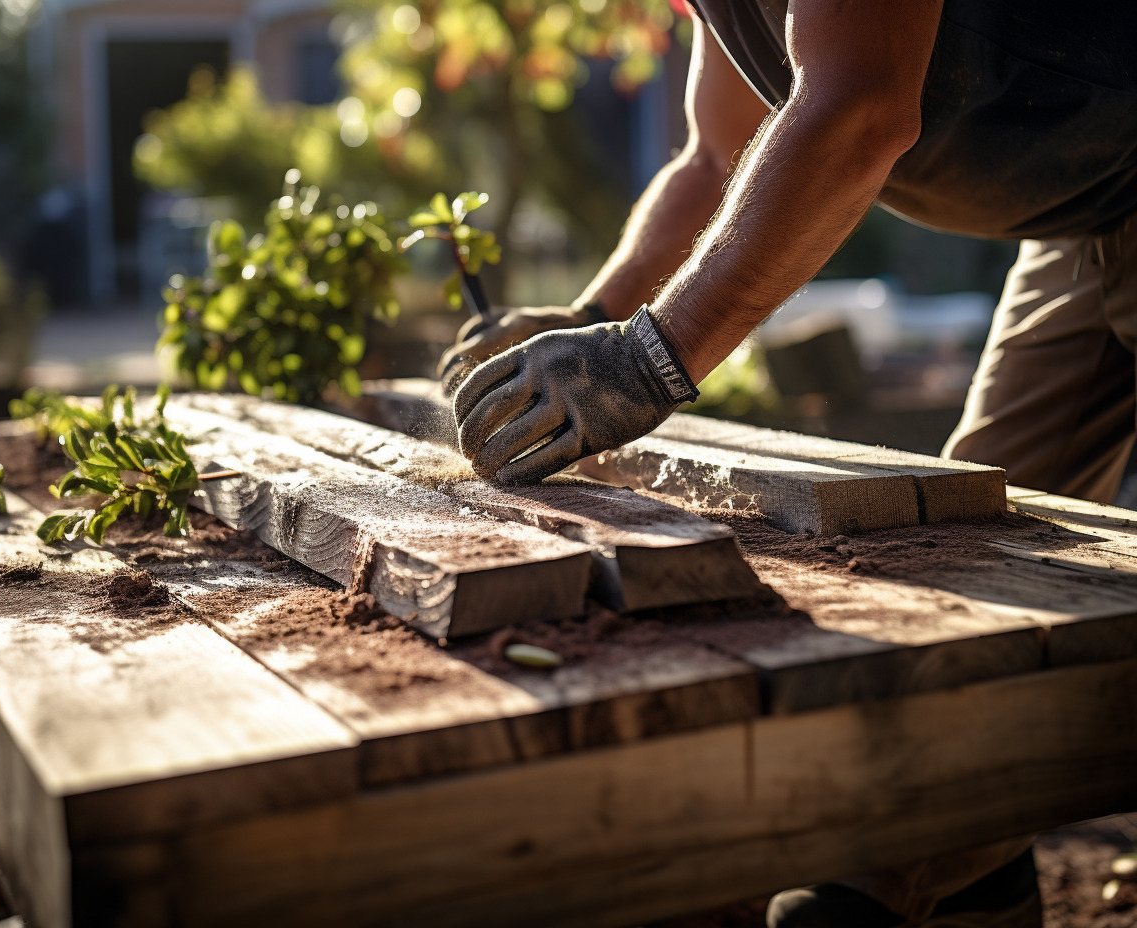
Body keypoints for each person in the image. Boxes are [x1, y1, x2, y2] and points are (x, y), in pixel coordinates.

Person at [440, 0, 1137, 925]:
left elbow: (858, 109)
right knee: (984, 558)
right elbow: (721, 157)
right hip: (1090, 202)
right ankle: (948, 872)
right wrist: (588, 318)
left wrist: (648, 358)